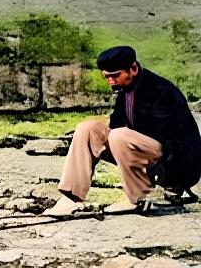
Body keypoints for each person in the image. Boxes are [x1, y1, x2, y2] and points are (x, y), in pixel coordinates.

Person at [44, 46, 201, 217]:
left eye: (115, 75)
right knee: (87, 129)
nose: (111, 81)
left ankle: (135, 197)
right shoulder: (125, 88)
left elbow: (168, 142)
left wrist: (160, 182)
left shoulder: (161, 91)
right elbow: (117, 125)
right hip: (146, 153)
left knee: (119, 135)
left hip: (177, 165)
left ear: (133, 69)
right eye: (107, 77)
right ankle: (71, 197)